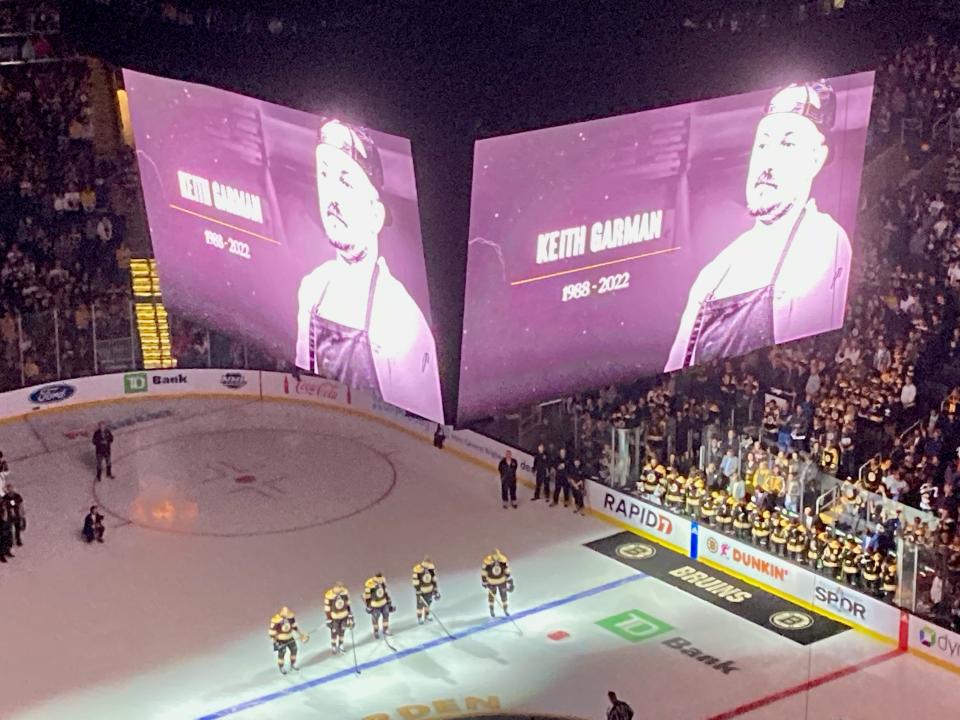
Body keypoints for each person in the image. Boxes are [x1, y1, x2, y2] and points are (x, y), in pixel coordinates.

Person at [665, 79, 851, 371]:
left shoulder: (823, 240)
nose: (768, 162)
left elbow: (790, 355)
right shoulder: (715, 272)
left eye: (787, 143)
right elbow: (676, 364)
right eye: (763, 143)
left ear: (816, 158)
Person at [295, 118, 442, 422]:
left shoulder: (401, 323)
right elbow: (303, 377)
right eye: (324, 175)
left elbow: (419, 424)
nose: (332, 197)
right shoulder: (311, 290)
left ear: (376, 215)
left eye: (346, 181)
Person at [268, 606, 308, 674]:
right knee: (282, 653)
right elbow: (272, 633)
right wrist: (275, 643)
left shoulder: (290, 618)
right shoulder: (276, 620)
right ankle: (281, 666)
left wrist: (301, 634)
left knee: (294, 649)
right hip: (281, 640)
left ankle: (293, 663)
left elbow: (294, 627)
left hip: (290, 637)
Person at [481, 548, 513, 618]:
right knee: (491, 596)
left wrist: (510, 581)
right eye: (494, 555)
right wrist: (484, 581)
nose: (496, 557)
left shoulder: (503, 561)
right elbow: (484, 572)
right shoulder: (487, 562)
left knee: (504, 595)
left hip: (502, 581)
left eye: (497, 555)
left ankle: (505, 609)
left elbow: (507, 570)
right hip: (491, 582)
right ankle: (491, 609)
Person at [324, 581, 354, 654]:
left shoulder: (344, 593)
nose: (341, 589)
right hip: (335, 617)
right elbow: (327, 608)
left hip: (344, 616)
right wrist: (329, 619)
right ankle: (334, 646)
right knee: (334, 632)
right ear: (335, 588)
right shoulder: (329, 595)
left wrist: (350, 615)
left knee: (342, 631)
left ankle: (341, 644)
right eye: (339, 588)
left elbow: (348, 604)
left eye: (341, 588)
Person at [363, 573, 395, 639]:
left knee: (386, 615)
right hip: (375, 605)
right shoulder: (370, 584)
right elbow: (367, 597)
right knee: (375, 619)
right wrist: (369, 606)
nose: (380, 580)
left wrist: (389, 602)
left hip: (384, 603)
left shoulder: (383, 581)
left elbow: (385, 593)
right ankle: (376, 632)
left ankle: (385, 629)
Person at [412, 556, 440, 625]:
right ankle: (419, 618)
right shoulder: (418, 570)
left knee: (428, 604)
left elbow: (434, 580)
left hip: (429, 590)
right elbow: (415, 581)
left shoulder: (431, 569)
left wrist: (435, 590)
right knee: (420, 606)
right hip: (421, 592)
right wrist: (418, 590)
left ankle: (426, 616)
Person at [2, 482, 24, 547]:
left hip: (16, 515)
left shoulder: (17, 496)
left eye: (11, 489)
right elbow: (4, 507)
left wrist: (22, 512)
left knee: (18, 528)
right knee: (10, 530)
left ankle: (18, 540)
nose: (10, 491)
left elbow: (20, 505)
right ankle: (10, 542)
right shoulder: (5, 498)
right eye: (9, 489)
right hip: (10, 515)